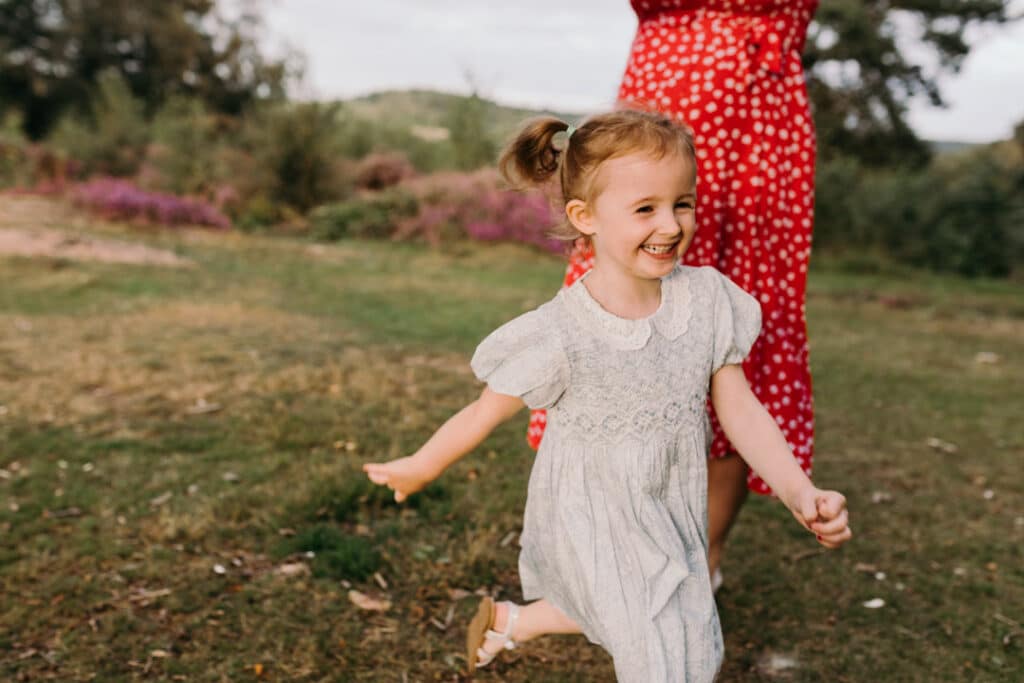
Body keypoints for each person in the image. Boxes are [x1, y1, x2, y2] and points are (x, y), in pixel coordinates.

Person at [364, 110, 850, 681]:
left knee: (648, 615)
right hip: (593, 512)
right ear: (584, 216)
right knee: (675, 653)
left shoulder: (710, 302)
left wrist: (799, 489)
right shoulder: (563, 332)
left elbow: (739, 409)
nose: (670, 225)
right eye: (645, 208)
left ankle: (512, 624)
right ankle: (532, 624)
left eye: (683, 203)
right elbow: (482, 412)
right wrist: (420, 466)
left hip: (669, 506)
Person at [526, 0, 822, 588]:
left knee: (734, 331)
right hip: (662, 94)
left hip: (755, 120)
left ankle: (698, 561)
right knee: (616, 311)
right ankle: (608, 539)